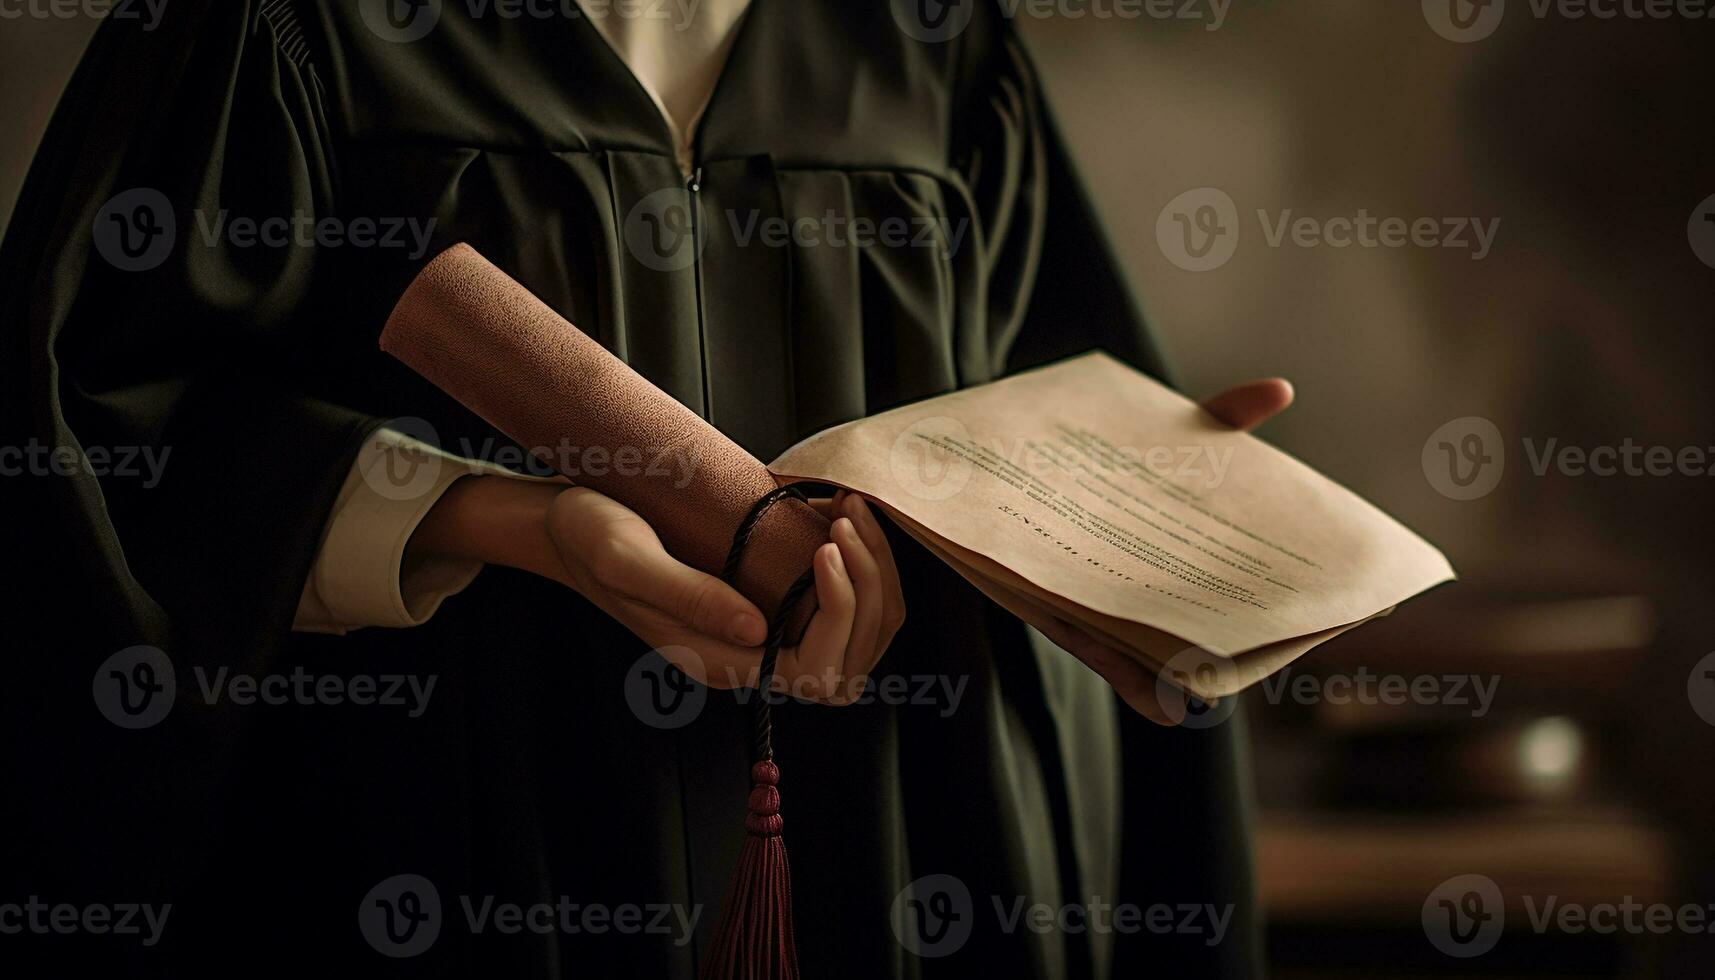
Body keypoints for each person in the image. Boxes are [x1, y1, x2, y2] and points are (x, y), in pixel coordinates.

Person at [0, 1, 1290, 975]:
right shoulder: (291, 29)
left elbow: (1025, 407)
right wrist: (503, 521)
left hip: (910, 847)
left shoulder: (932, 45)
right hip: (457, 866)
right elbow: (94, 444)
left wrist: (1155, 485)